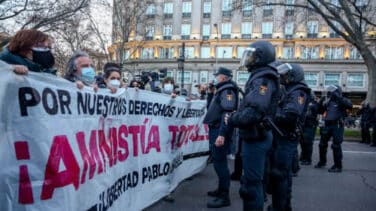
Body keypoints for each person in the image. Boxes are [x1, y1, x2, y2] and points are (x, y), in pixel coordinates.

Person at [225, 40, 280, 211]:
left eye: (251, 56)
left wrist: (233, 119)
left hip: (256, 138)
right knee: (250, 183)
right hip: (254, 136)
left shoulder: (263, 79)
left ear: (260, 58)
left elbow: (254, 112)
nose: (248, 59)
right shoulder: (260, 76)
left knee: (251, 186)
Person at [268, 63, 310, 211]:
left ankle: (281, 207)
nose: (283, 77)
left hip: (286, 136)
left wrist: (271, 116)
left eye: (285, 75)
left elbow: (291, 114)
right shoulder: (288, 89)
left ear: (294, 75)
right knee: (281, 173)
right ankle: (283, 205)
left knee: (281, 174)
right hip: (280, 134)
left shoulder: (299, 91)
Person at [203, 67, 238, 208]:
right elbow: (214, 108)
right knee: (218, 162)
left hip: (219, 129)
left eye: (218, 76)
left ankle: (224, 196)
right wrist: (211, 94)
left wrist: (222, 134)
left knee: (220, 163)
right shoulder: (221, 90)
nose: (216, 78)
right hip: (216, 129)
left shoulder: (227, 91)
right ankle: (220, 190)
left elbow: (227, 113)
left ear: (223, 78)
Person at [315, 85, 353, 172]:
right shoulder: (328, 101)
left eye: (332, 91)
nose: (330, 93)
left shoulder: (343, 99)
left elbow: (349, 106)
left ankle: (338, 166)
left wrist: (339, 97)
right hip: (327, 125)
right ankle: (322, 162)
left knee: (336, 145)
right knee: (322, 144)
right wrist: (320, 103)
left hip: (337, 125)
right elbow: (319, 111)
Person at [300, 92, 320, 165]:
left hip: (310, 125)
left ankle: (308, 159)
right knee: (302, 141)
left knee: (308, 142)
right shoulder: (304, 102)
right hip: (303, 124)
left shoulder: (314, 103)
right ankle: (303, 156)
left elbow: (316, 109)